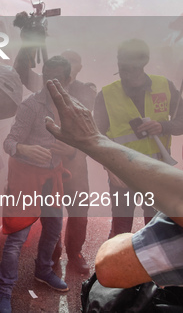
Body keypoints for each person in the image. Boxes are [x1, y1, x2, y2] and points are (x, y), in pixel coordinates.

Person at [45, 78, 183, 288]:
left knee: (148, 224)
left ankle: (146, 285)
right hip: (131, 179)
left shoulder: (165, 86)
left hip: (156, 180)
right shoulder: (107, 93)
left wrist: (92, 142)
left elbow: (111, 267)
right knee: (122, 222)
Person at [0, 56, 74, 313]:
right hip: (25, 179)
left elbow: (79, 146)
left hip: (53, 178)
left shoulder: (72, 108)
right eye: (46, 77)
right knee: (17, 238)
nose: (50, 84)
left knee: (52, 229)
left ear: (68, 80)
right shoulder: (30, 106)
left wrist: (71, 150)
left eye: (57, 79)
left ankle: (43, 270)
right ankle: (3, 291)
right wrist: (25, 149)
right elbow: (8, 143)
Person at [93, 39, 183, 238]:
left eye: (131, 65)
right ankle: (112, 267)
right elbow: (95, 138)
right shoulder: (106, 95)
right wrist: (109, 168)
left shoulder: (165, 86)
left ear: (145, 61)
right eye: (122, 64)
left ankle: (152, 268)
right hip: (122, 172)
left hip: (158, 171)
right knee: (121, 227)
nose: (125, 70)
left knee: (156, 227)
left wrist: (163, 126)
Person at [51, 50, 97, 274]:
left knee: (79, 209)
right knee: (51, 209)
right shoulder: (47, 88)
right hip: (49, 160)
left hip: (76, 160)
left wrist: (73, 151)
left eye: (75, 61)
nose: (71, 65)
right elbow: (23, 73)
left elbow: (89, 128)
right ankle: (52, 251)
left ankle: (75, 252)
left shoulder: (85, 91)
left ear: (79, 68)